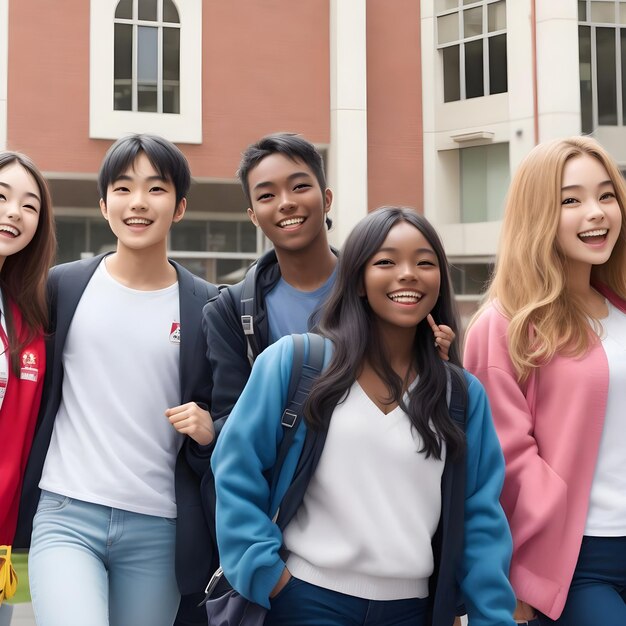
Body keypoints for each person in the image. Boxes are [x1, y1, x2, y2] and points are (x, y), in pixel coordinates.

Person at [211, 206, 516, 626]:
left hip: (413, 610)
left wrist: (491, 618)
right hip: (304, 601)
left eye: (424, 262)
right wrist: (268, 575)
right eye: (386, 261)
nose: (408, 274)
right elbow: (235, 468)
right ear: (357, 279)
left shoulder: (460, 395)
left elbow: (481, 520)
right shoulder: (296, 362)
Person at [15, 134, 218, 626]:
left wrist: (211, 430)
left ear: (180, 206)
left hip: (159, 528)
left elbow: (233, 410)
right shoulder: (64, 286)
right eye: (123, 189)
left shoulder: (208, 305)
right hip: (66, 513)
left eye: (156, 189)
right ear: (104, 205)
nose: (139, 203)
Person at [464, 136, 626, 625]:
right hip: (577, 560)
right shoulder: (505, 324)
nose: (596, 213)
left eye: (607, 195)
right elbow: (503, 458)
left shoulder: (619, 307)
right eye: (570, 200)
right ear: (537, 214)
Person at [203, 132, 453, 435]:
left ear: (327, 199)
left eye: (300, 187)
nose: (286, 203)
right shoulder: (229, 310)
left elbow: (425, 382)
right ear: (253, 216)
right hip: (288, 476)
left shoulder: (381, 286)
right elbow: (234, 421)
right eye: (267, 195)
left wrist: (439, 357)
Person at [0, 151, 55, 603]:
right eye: (1, 197)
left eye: (29, 205)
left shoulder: (28, 321)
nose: (14, 212)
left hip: (3, 544)